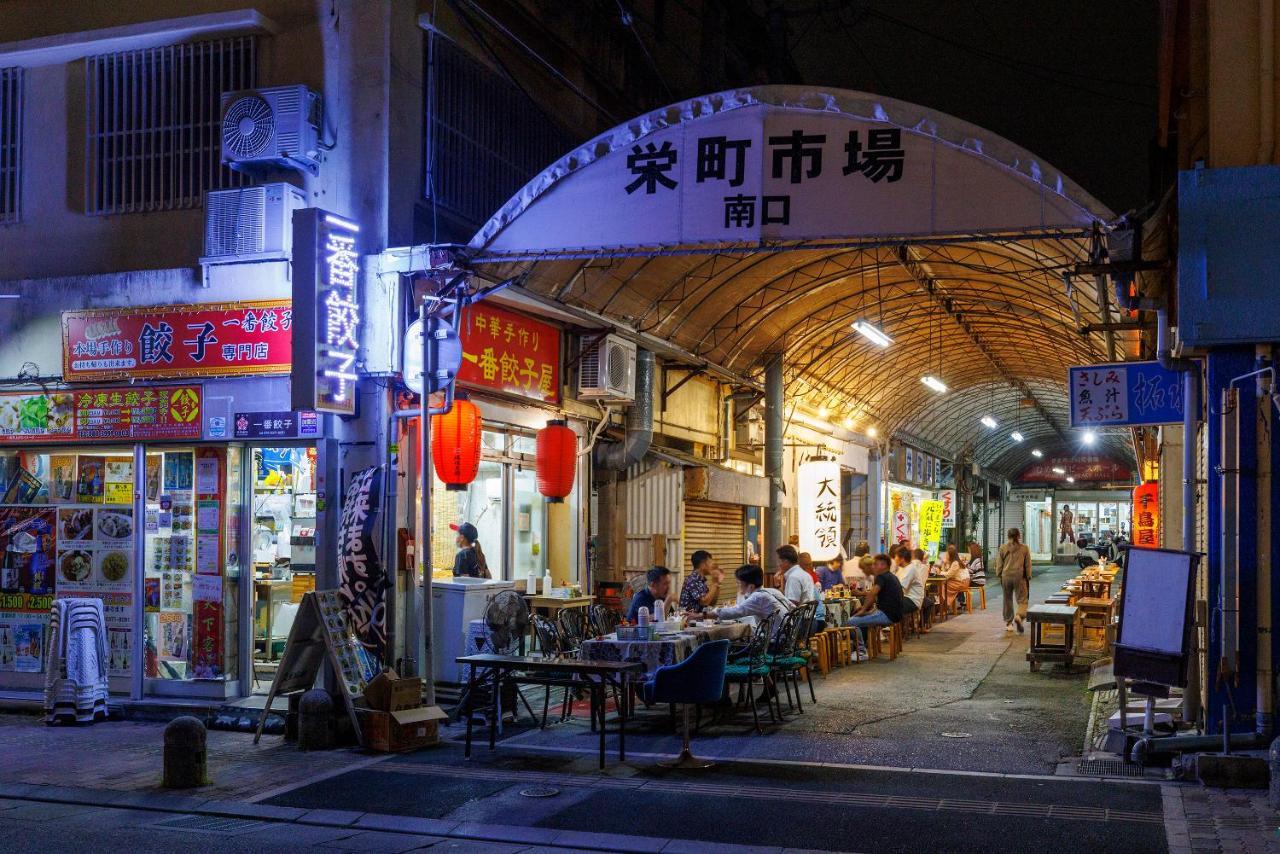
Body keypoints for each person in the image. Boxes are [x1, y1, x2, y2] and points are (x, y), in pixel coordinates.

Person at [705, 564, 794, 633]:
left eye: (739, 583)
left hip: (774, 644)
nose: (737, 586)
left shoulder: (758, 597)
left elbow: (735, 611)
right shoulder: (772, 591)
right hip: (786, 638)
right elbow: (792, 606)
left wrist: (702, 615)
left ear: (751, 586)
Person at [846, 553, 904, 658]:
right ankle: (861, 648)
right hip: (894, 614)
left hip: (888, 615)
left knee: (851, 622)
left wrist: (863, 610)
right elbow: (882, 600)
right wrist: (867, 611)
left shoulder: (881, 576)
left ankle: (861, 652)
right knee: (859, 618)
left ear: (883, 565)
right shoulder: (891, 576)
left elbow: (873, 593)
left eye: (876, 564)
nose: (874, 566)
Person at [778, 545, 826, 630]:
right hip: (810, 620)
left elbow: (792, 604)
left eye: (780, 561)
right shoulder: (804, 574)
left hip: (801, 624)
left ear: (785, 561)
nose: (779, 565)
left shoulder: (794, 577)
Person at [995, 528, 1033, 633]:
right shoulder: (1024, 548)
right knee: (1023, 599)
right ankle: (1019, 616)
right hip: (1019, 577)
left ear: (1008, 536)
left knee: (1007, 599)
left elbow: (999, 564)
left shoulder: (1003, 548)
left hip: (1006, 576)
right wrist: (1028, 576)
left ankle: (1009, 624)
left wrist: (999, 575)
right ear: (1019, 536)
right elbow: (1028, 564)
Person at [893, 546, 926, 629]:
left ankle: (892, 628)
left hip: (913, 600)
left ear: (902, 559)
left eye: (896, 557)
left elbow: (901, 588)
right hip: (905, 597)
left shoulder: (911, 569)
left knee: (890, 604)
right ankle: (893, 628)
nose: (894, 559)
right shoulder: (901, 568)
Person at [940, 544, 970, 612]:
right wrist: (944, 564)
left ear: (950, 555)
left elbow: (948, 575)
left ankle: (945, 605)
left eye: (947, 554)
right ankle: (946, 604)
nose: (945, 555)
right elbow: (948, 573)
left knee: (942, 585)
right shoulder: (955, 562)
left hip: (962, 583)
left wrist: (940, 572)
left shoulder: (955, 563)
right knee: (943, 583)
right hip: (962, 582)